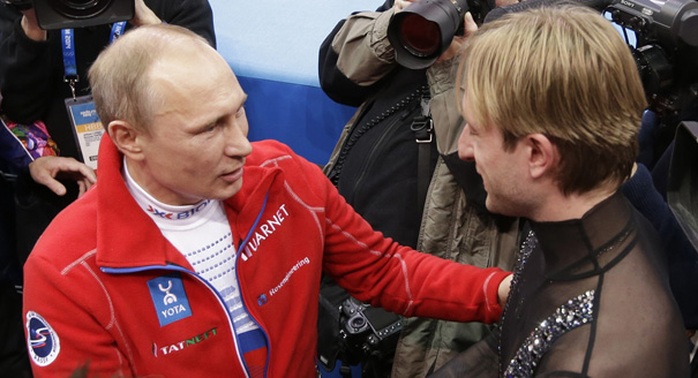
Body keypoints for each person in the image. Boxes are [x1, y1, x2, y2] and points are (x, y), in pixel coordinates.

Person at [22, 24, 515, 377]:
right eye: (209, 128)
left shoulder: (284, 176)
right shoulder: (66, 270)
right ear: (129, 138)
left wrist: (501, 293)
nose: (241, 143)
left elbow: (383, 270)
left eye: (238, 113)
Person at [431, 4, 690, 376]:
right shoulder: (574, 224)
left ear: (537, 154)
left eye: (475, 129)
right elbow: (505, 345)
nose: (465, 149)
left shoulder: (596, 361)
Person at [318, 1, 521, 376]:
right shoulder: (441, 7)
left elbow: (495, 182)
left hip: (434, 290)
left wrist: (459, 69)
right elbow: (335, 75)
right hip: (356, 259)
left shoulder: (549, 32)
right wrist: (399, 20)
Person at [0, 0, 216, 260]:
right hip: (62, 194)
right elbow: (20, 109)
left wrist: (148, 22)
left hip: (165, 191)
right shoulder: (27, 7)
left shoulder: (174, 3)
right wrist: (33, 27)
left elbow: (204, 95)